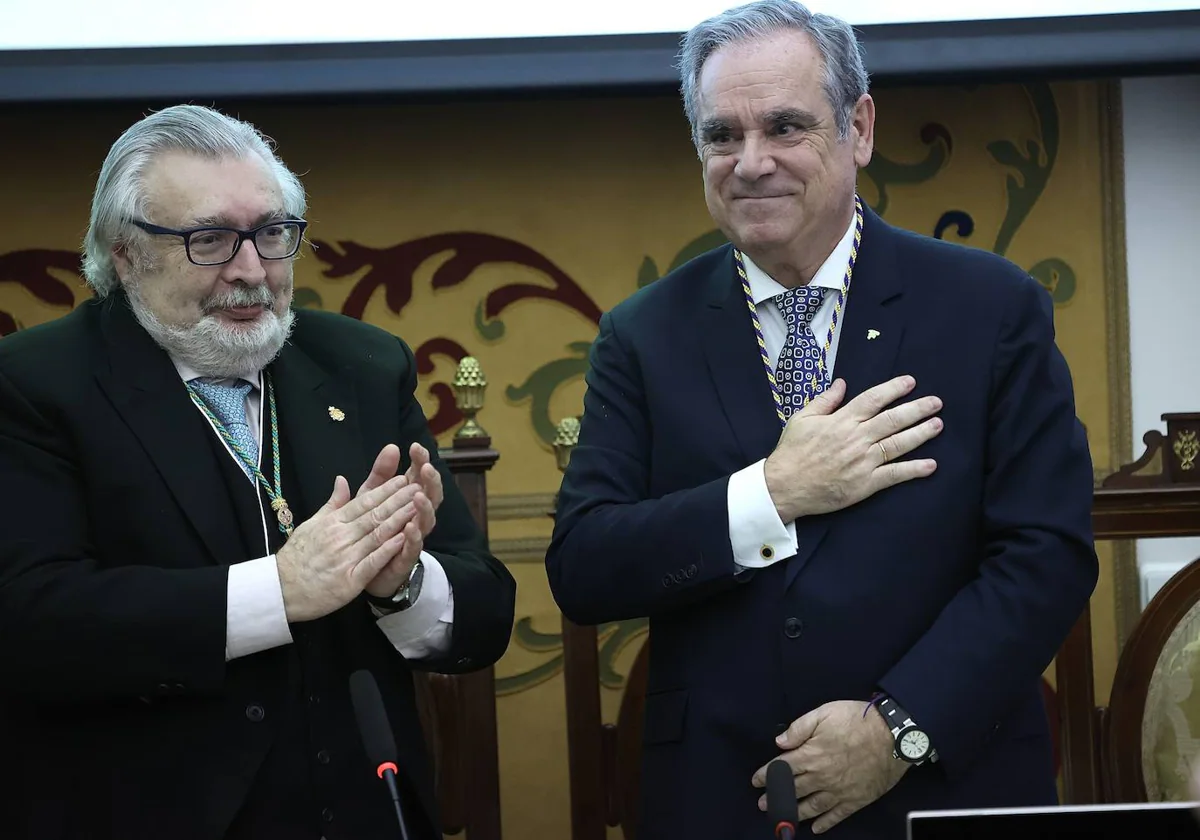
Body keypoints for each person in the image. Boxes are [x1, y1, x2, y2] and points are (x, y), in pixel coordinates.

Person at [545, 1, 1098, 837]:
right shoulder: (642, 333)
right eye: (721, 135)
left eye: (785, 127)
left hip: (945, 780)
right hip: (720, 797)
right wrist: (770, 493)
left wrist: (897, 729)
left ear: (860, 127)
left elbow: (1045, 555)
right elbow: (585, 566)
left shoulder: (989, 308)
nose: (751, 163)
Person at [0, 104, 515, 840]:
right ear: (125, 253)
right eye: (210, 240)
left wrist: (400, 582)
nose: (251, 271)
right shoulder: (36, 385)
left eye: (271, 234)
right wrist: (278, 590)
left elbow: (486, 613)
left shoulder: (363, 366)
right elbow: (31, 623)